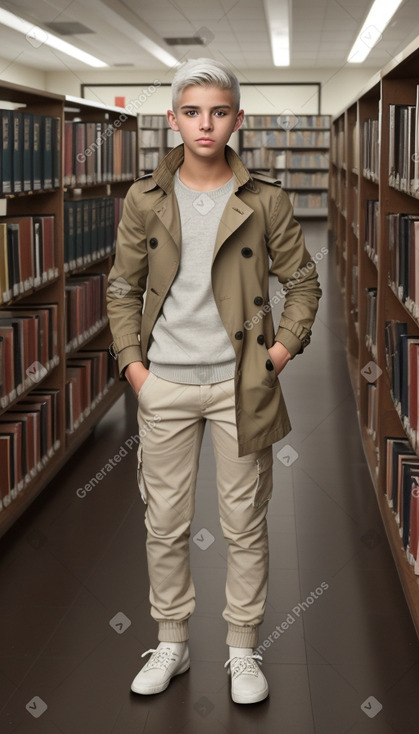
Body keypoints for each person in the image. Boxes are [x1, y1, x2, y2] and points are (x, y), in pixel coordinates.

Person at [106, 57, 322, 704]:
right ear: (172, 119)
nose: (205, 124)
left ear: (237, 118)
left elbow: (303, 284)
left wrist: (276, 355)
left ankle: (241, 649)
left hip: (241, 388)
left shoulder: (266, 199)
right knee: (164, 524)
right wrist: (134, 370)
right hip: (163, 385)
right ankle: (170, 642)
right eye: (192, 111)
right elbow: (122, 288)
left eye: (218, 111)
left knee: (244, 525)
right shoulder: (143, 199)